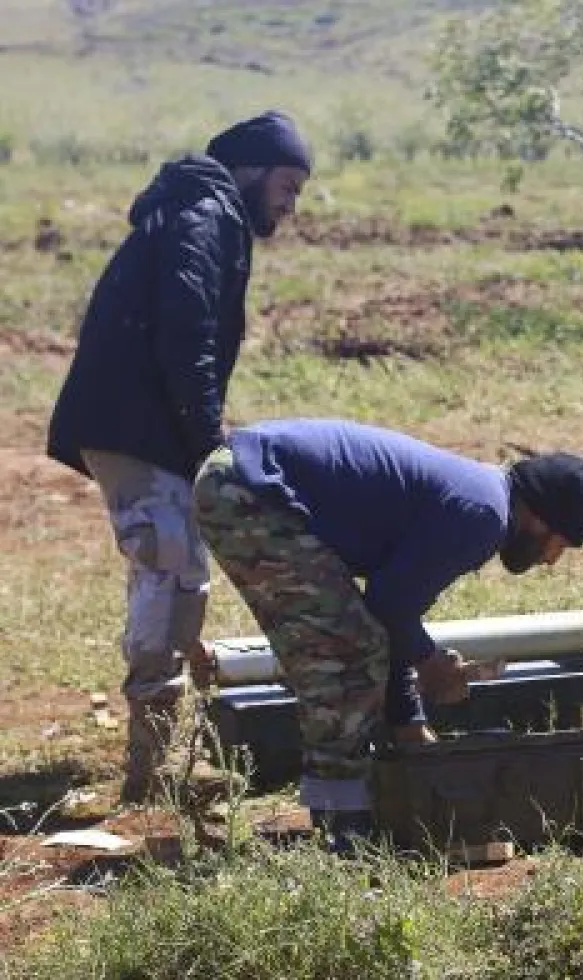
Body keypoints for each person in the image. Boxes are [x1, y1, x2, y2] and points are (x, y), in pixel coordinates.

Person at [45, 110, 313, 804]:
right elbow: (184, 335)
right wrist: (208, 444)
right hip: (143, 427)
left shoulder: (203, 210)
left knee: (170, 568)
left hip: (140, 424)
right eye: (287, 185)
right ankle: (150, 773)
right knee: (173, 571)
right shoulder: (205, 217)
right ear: (253, 170)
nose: (291, 204)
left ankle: (155, 756)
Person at [192, 418, 583, 848]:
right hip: (251, 491)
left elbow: (392, 614)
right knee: (344, 653)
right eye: (561, 544)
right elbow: (389, 609)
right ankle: (343, 829)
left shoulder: (478, 498)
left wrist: (409, 720)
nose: (552, 560)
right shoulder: (483, 516)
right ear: (539, 519)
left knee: (349, 641)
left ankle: (341, 809)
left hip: (240, 481)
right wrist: (430, 663)